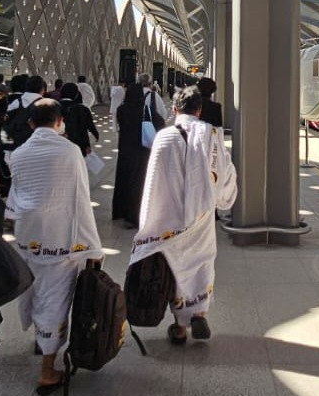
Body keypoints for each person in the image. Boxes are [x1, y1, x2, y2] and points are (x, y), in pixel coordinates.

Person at [4, 99, 101, 395]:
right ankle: (47, 371)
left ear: (31, 123)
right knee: (56, 299)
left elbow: (15, 197)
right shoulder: (71, 152)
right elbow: (80, 200)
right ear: (60, 122)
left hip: (28, 236)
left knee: (35, 289)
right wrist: (93, 247)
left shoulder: (19, 154)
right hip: (62, 239)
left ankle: (40, 337)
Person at [131, 86, 238, 345]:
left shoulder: (164, 137)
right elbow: (225, 173)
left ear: (174, 109)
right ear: (199, 110)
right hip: (201, 217)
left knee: (172, 267)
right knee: (200, 264)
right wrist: (222, 199)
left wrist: (148, 221)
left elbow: (153, 183)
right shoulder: (212, 136)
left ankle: (179, 327)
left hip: (168, 217)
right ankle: (198, 312)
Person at [112, 79, 162, 227]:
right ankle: (134, 215)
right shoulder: (145, 109)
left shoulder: (121, 110)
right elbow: (160, 123)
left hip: (125, 150)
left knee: (123, 180)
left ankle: (119, 211)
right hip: (141, 151)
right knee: (138, 182)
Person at [58, 82, 100, 156]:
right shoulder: (83, 109)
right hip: (79, 145)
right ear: (76, 94)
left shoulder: (53, 107)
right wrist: (95, 134)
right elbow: (89, 125)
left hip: (59, 145)